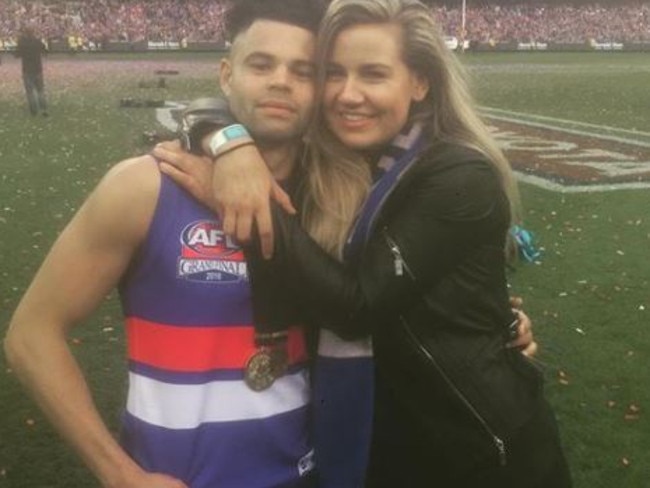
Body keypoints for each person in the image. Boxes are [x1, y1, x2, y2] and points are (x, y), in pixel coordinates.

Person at [157, 0, 569, 486]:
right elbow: (214, 105)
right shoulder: (336, 168)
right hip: (384, 444)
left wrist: (254, 197)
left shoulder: (458, 175)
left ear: (419, 81)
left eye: (373, 74)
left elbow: (357, 308)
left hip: (478, 453)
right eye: (334, 73)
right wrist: (229, 143)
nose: (348, 95)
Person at [3, 1, 325, 486]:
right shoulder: (145, 187)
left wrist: (224, 138)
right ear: (226, 74)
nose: (282, 80)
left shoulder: (332, 198)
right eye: (262, 64)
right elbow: (31, 335)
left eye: (303, 71)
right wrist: (118, 475)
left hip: (306, 475)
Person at [15, 25, 48, 117]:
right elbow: (45, 51)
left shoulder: (22, 42)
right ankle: (44, 109)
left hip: (27, 69)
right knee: (40, 90)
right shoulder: (37, 41)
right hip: (38, 68)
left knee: (30, 92)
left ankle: (34, 111)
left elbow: (17, 55)